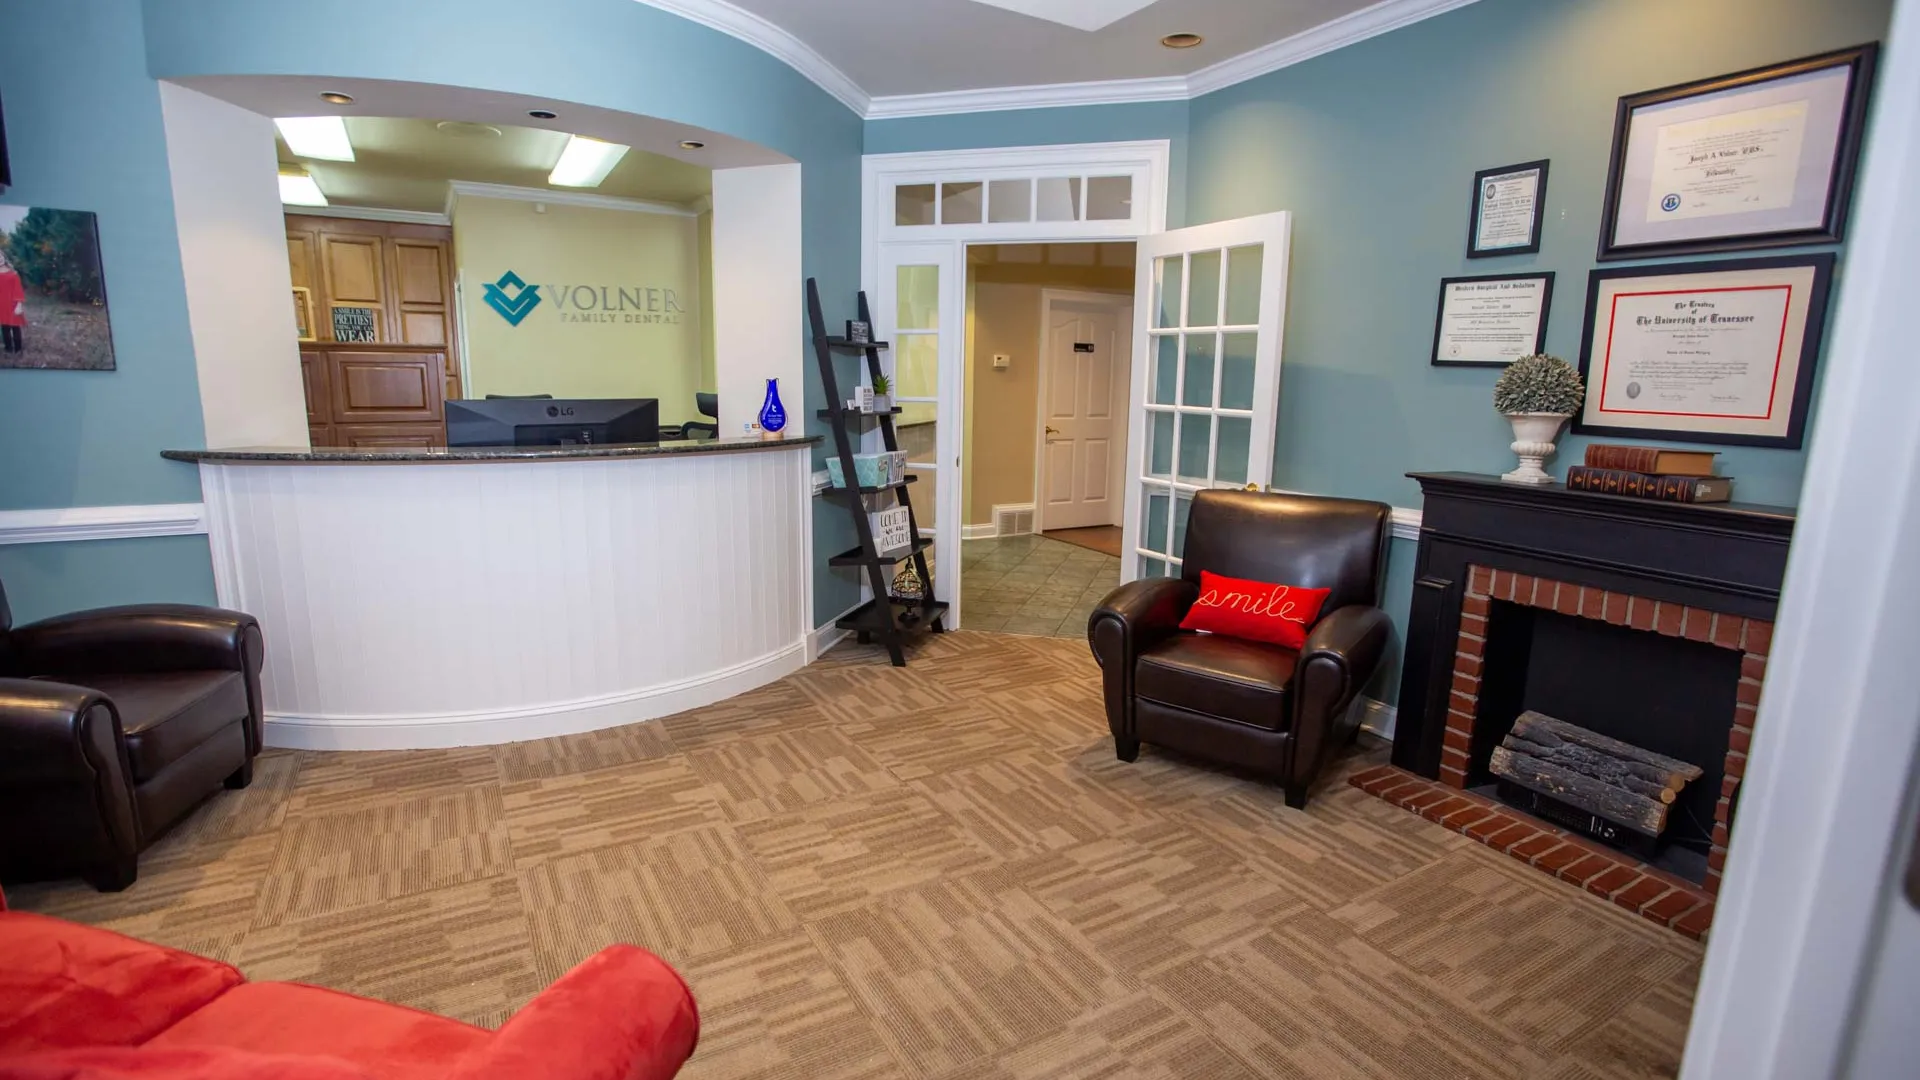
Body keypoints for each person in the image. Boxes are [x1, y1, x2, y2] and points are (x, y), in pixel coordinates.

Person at [0, 250, 25, 355]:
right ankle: (8, 348)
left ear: (4, 257)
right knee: (4, 327)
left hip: (13, 304)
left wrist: (19, 305)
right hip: (1, 304)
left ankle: (18, 349)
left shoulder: (13, 273)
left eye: (0, 256)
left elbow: (18, 289)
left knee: (15, 327)